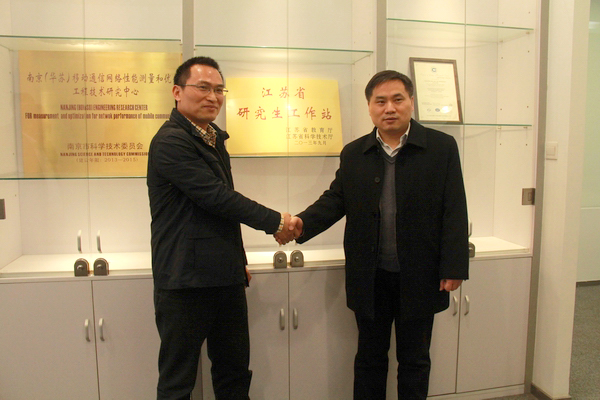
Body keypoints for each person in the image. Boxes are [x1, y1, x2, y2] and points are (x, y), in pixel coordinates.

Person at [278, 70, 469, 399]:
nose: (389, 108)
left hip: (421, 274)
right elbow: (336, 199)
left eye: (397, 99)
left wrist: (453, 266)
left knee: (415, 360)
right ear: (369, 107)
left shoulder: (441, 147)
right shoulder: (355, 153)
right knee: (369, 358)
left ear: (411, 102)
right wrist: (301, 223)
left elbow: (455, 207)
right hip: (371, 276)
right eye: (380, 101)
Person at [147, 56, 294, 400]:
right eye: (203, 87)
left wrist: (236, 260)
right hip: (184, 280)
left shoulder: (212, 137)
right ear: (177, 92)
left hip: (224, 277)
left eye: (218, 89)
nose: (212, 96)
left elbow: (220, 213)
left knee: (234, 373)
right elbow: (216, 198)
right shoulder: (170, 141)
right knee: (177, 382)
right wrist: (276, 221)